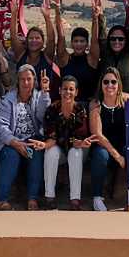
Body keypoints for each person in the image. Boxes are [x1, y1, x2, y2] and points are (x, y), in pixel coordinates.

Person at [0, 64, 51, 210]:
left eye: (29, 79)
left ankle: (32, 198)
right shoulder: (7, 99)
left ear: (34, 80)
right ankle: (2, 199)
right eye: (22, 79)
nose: (25, 83)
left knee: (36, 154)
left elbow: (44, 117)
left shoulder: (38, 96)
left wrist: (44, 93)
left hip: (31, 140)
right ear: (17, 80)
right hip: (10, 141)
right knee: (11, 155)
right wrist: (14, 142)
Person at [42, 75, 90, 209]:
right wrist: (45, 145)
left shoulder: (80, 110)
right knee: (50, 152)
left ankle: (75, 200)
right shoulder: (52, 109)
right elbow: (51, 137)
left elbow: (79, 137)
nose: (67, 92)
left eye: (71, 89)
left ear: (76, 92)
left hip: (77, 148)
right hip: (59, 147)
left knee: (75, 154)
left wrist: (79, 143)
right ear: (59, 90)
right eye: (65, 89)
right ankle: (49, 198)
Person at [88, 66, 129, 212]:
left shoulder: (127, 101)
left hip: (123, 145)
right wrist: (117, 156)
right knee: (101, 155)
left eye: (113, 82)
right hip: (103, 147)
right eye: (106, 82)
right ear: (101, 84)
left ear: (119, 84)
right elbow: (98, 135)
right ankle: (97, 197)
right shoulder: (95, 105)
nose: (110, 85)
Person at [8, 0, 61, 99]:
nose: (34, 41)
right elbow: (13, 36)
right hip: (22, 100)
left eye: (37, 38)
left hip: (43, 100)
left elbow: (51, 39)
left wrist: (47, 17)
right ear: (26, 41)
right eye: (31, 38)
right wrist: (14, 13)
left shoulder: (47, 55)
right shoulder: (21, 54)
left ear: (42, 42)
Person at [52, 0, 99, 102]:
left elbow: (95, 40)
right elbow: (61, 37)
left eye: (82, 41)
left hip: (87, 105)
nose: (79, 44)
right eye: (76, 41)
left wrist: (95, 17)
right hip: (67, 103)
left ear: (87, 44)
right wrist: (58, 12)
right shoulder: (65, 59)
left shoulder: (91, 60)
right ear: (71, 43)